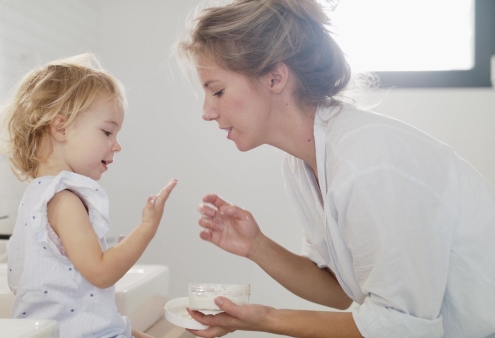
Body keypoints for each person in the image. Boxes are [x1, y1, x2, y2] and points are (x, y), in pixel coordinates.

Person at [176, 0, 495, 337]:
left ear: (274, 77)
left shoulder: (366, 163)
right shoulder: (303, 162)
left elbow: (401, 329)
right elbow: (340, 291)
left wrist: (264, 319)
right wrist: (257, 246)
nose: (207, 111)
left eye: (218, 91)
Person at [0, 53, 177, 338]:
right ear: (61, 128)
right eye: (107, 132)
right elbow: (101, 273)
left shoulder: (37, 197)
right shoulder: (64, 201)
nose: (116, 146)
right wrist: (146, 228)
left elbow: (78, 300)